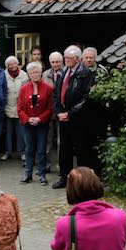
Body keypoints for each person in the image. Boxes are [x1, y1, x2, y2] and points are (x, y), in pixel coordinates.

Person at [52, 45, 96, 188]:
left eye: (69, 58)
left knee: (81, 150)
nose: (66, 61)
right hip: (63, 119)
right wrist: (58, 112)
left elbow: (86, 98)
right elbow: (56, 94)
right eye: (65, 58)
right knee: (64, 150)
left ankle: (83, 181)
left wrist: (69, 113)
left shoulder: (86, 74)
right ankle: (65, 178)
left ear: (77, 59)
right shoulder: (63, 72)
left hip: (79, 120)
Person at [16, 61, 53, 184]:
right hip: (27, 124)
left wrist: (40, 119)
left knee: (42, 150)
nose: (35, 74)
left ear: (41, 73)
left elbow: (50, 108)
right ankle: (28, 174)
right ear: (29, 74)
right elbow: (19, 108)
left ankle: (42, 174)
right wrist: (28, 119)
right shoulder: (23, 89)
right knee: (29, 150)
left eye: (37, 72)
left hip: (42, 124)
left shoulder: (48, 88)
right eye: (32, 72)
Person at [43, 51, 64, 175]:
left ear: (61, 62)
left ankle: (61, 165)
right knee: (47, 140)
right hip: (49, 111)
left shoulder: (66, 73)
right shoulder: (45, 74)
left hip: (61, 111)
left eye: (57, 62)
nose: (55, 64)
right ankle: (47, 164)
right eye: (53, 62)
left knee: (61, 141)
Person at [3, 56, 26, 160]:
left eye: (14, 63)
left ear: (17, 64)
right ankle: (8, 152)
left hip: (20, 107)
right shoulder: (4, 75)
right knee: (8, 132)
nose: (12, 66)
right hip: (8, 106)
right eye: (10, 64)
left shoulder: (24, 75)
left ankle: (22, 152)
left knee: (20, 132)